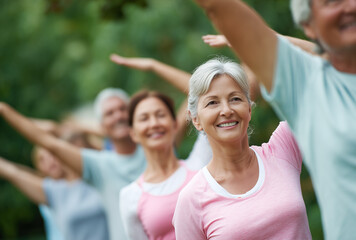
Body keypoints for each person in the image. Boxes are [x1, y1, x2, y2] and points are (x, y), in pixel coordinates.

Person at [193, 0, 356, 239]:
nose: (351, 6)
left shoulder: (279, 151)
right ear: (308, 25)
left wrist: (276, 38)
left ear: (250, 108)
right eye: (332, 1)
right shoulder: (315, 92)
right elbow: (219, 7)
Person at [172, 58, 311, 239]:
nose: (226, 110)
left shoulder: (282, 150)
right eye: (212, 102)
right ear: (196, 119)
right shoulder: (192, 199)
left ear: (249, 109)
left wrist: (249, 40)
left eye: (235, 99)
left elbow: (326, 69)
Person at [119, 90, 212, 240]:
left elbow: (204, 92)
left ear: (175, 124)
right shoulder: (130, 195)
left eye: (160, 115)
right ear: (133, 133)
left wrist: (153, 66)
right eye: (144, 118)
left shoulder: (201, 163)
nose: (154, 123)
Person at [0, 145, 109, 240]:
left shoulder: (89, 179)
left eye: (52, 155)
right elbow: (16, 173)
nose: (50, 161)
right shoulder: (48, 189)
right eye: (42, 159)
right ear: (38, 166)